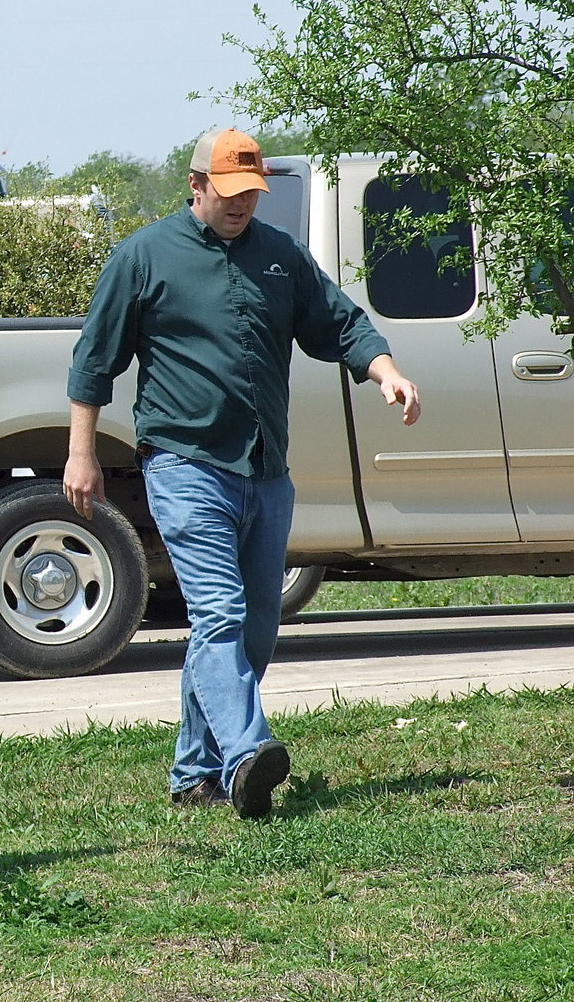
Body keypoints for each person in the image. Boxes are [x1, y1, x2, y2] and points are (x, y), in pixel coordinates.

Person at [63, 128, 420, 819]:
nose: (241, 207)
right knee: (220, 614)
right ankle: (247, 755)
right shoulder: (143, 256)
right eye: (228, 193)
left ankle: (194, 771)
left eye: (251, 195)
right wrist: (81, 452)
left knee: (254, 628)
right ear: (195, 185)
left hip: (264, 470)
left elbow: (339, 324)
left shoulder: (279, 256)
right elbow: (94, 360)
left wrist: (386, 371)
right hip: (185, 464)